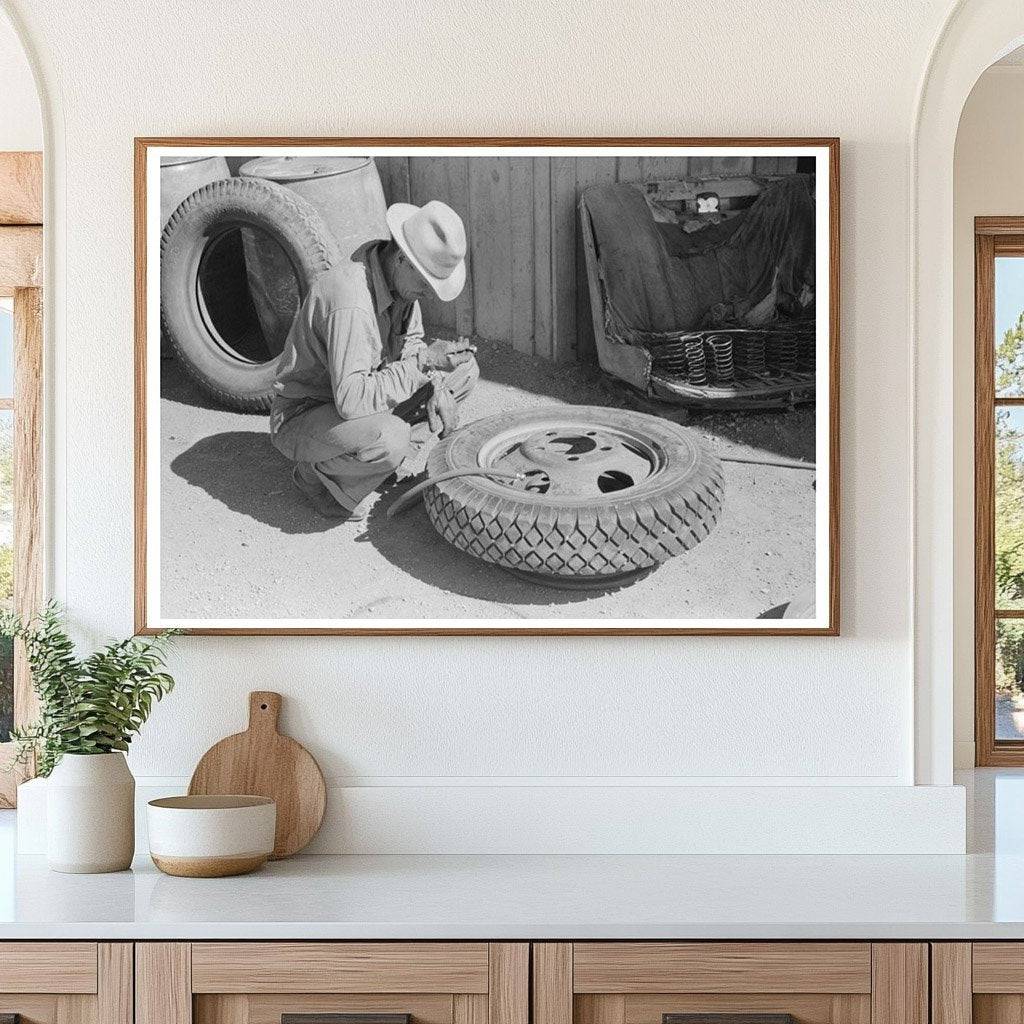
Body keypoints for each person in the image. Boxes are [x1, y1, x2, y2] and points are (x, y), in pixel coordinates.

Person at [269, 200, 478, 521]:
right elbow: (351, 401)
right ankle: (316, 478)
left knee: (463, 372)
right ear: (401, 259)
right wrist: (425, 363)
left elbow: (411, 345)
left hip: (357, 399)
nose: (429, 294)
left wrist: (437, 382)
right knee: (392, 437)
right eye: (425, 283)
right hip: (307, 414)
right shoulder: (351, 302)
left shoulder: (400, 284)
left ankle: (368, 467)